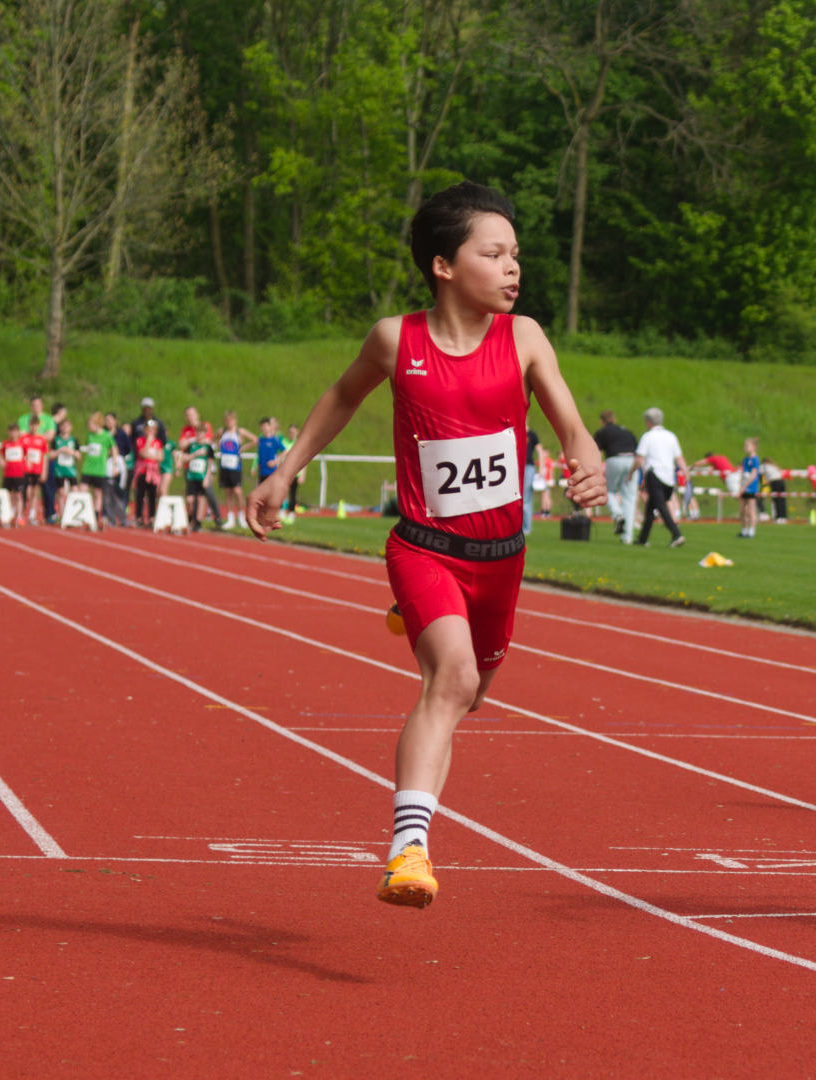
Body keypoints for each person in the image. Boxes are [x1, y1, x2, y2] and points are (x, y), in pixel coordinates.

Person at [246, 181, 605, 908]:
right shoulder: (394, 339)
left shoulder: (526, 337)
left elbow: (570, 420)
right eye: (493, 253)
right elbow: (343, 396)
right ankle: (408, 850)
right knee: (451, 681)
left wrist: (586, 458)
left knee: (469, 693)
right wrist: (285, 470)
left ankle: (417, 622)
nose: (512, 268)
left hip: (502, 559)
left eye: (516, 255)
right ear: (444, 265)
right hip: (424, 547)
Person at [633, 407, 687, 548]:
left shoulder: (648, 436)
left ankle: (676, 534)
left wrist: (630, 473)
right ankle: (643, 538)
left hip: (654, 474)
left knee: (660, 506)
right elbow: (679, 458)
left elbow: (639, 458)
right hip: (669, 476)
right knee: (651, 507)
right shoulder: (671, 436)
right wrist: (686, 473)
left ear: (649, 422)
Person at [593, 409, 638, 539]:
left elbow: (596, 451)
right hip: (631, 459)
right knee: (629, 498)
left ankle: (617, 514)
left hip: (614, 459)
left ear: (602, 421)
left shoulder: (602, 432)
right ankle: (627, 537)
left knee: (609, 490)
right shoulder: (626, 431)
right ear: (615, 419)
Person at [217, 410, 250, 529]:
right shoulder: (222, 432)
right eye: (227, 420)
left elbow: (255, 440)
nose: (229, 422)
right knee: (228, 492)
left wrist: (244, 447)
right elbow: (212, 439)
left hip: (235, 466)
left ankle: (241, 516)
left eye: (231, 420)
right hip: (224, 465)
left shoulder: (239, 432)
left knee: (237, 491)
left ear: (235, 420)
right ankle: (230, 518)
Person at [133, 419, 166, 525]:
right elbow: (142, 453)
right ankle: (139, 517)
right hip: (142, 471)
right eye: (148, 430)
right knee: (140, 495)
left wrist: (151, 455)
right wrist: (148, 442)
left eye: (153, 430)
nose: (150, 432)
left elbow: (160, 457)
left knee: (152, 495)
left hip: (153, 472)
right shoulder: (140, 440)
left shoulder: (158, 443)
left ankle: (152, 516)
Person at [52, 416, 80, 513]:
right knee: (61, 492)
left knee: (75, 490)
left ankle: (73, 512)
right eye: (63, 426)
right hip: (59, 470)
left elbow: (78, 455)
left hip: (71, 470)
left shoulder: (74, 440)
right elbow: (51, 455)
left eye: (67, 426)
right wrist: (61, 450)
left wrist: (71, 452)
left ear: (70, 427)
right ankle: (62, 514)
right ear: (60, 427)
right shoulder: (56, 440)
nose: (65, 428)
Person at [737, 437, 761, 538]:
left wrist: (745, 486)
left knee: (751, 510)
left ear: (754, 447)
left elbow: (753, 475)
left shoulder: (755, 460)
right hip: (744, 487)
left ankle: (752, 530)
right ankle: (744, 530)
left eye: (747, 446)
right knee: (742, 510)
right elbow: (743, 474)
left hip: (751, 488)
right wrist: (740, 486)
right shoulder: (745, 460)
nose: (745, 448)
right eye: (745, 445)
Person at [765, 457, 788, 523]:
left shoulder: (765, 466)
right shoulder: (774, 466)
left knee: (777, 500)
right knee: (781, 500)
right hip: (781, 482)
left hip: (775, 482)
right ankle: (783, 517)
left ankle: (779, 517)